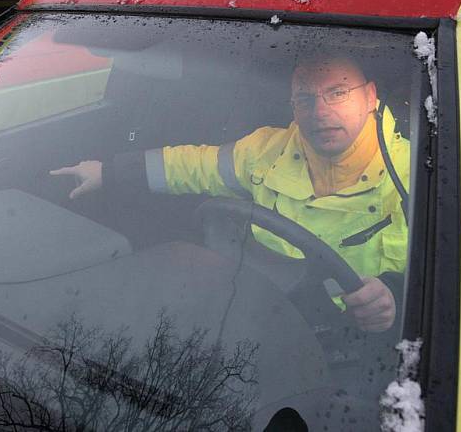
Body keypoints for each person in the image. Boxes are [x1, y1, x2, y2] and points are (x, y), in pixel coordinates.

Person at [51, 56, 409, 332]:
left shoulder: (413, 173)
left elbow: (449, 273)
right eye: (305, 98)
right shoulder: (267, 150)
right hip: (259, 307)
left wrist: (392, 295)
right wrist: (108, 172)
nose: (320, 112)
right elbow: (193, 165)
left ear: (371, 96)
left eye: (338, 92)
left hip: (349, 331)